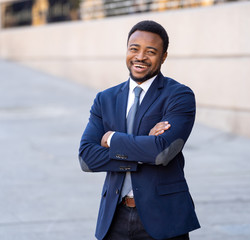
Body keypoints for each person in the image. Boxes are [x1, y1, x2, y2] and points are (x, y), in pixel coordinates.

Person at [79, 20, 200, 240]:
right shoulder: (105, 99)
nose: (140, 57)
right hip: (114, 216)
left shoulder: (179, 96)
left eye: (151, 51)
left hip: (164, 218)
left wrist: (113, 139)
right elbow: (87, 158)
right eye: (134, 49)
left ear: (163, 57)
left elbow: (162, 152)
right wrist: (144, 147)